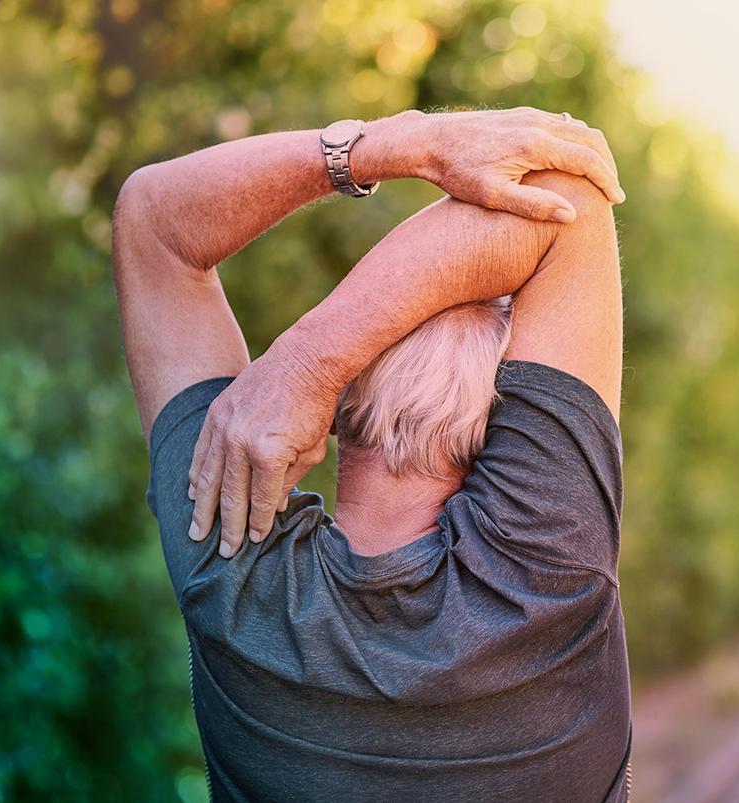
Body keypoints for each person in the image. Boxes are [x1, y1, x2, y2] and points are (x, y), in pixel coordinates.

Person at [112, 106, 631, 801]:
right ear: (511, 431)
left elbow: (152, 220)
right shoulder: (548, 563)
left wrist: (398, 144)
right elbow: (564, 196)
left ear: (336, 408)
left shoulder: (226, 553)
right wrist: (312, 359)